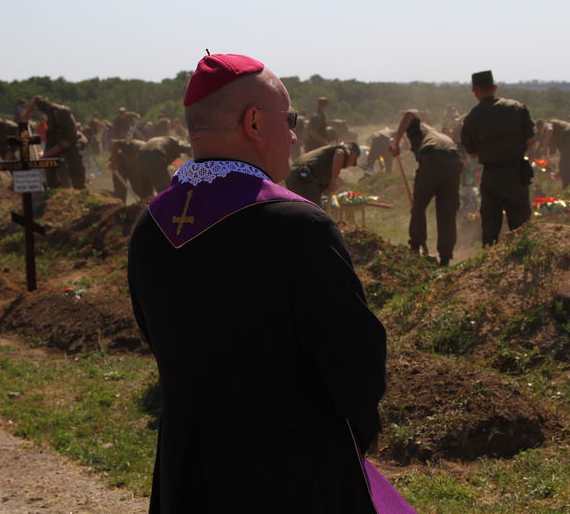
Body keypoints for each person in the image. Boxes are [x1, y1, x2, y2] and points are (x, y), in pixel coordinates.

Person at [127, 53, 386, 514]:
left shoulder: (151, 226)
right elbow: (356, 366)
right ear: (253, 122)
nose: (292, 134)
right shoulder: (297, 226)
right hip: (291, 477)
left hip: (189, 477)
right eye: (289, 120)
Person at [460, 70, 535, 247]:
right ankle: (522, 260)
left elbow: (472, 153)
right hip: (517, 173)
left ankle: (490, 265)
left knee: (491, 228)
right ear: (494, 87)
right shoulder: (517, 107)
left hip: (492, 176)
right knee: (521, 227)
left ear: (475, 91)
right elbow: (530, 140)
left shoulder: (471, 118)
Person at [389, 109, 462, 265]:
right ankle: (445, 258)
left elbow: (409, 114)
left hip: (433, 158)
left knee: (419, 207)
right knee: (447, 212)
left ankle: (415, 249)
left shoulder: (419, 126)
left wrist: (395, 141)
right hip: (454, 162)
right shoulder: (437, 135)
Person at [23, 97, 85, 189]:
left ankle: (79, 188)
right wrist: (27, 113)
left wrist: (44, 155)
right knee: (49, 163)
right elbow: (37, 99)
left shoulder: (70, 127)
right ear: (55, 114)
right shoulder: (51, 108)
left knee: (75, 162)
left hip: (68, 141)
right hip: (52, 135)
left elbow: (60, 147)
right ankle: (53, 187)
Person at [285, 142, 360, 206]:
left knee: (299, 209)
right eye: (354, 161)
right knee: (314, 210)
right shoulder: (344, 150)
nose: (352, 164)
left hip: (292, 174)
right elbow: (339, 153)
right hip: (303, 175)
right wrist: (333, 180)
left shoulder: (328, 156)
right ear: (353, 154)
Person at [535, 118, 570, 188]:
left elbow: (549, 130)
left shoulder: (547, 124)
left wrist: (544, 147)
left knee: (565, 165)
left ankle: (566, 188)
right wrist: (560, 171)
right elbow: (564, 156)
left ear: (540, 128)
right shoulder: (557, 135)